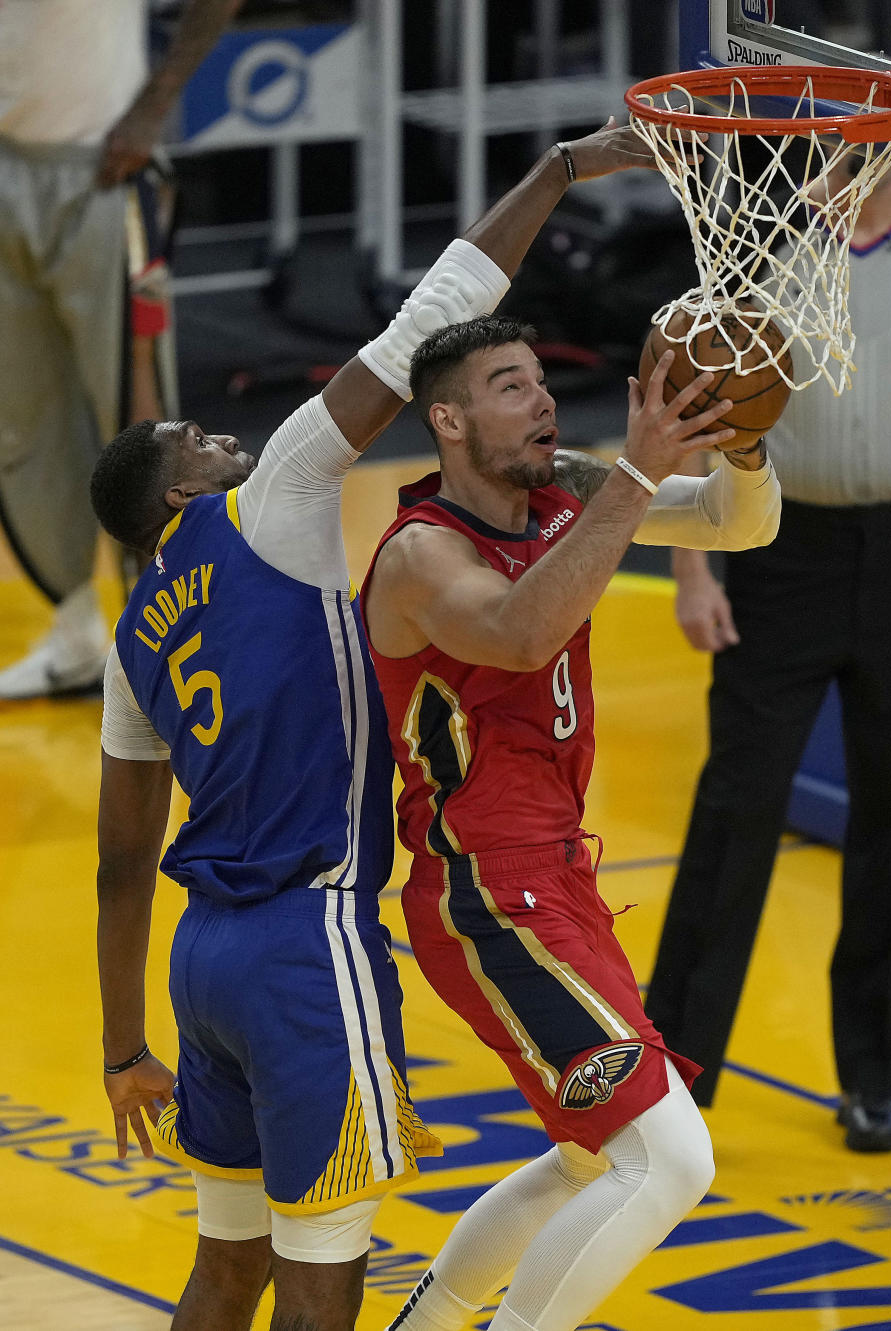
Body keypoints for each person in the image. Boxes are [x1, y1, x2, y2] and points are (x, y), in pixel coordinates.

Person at [91, 126, 669, 1331]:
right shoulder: (275, 500)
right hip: (309, 942)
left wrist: (120, 1047)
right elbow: (428, 324)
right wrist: (555, 173)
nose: (223, 433)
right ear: (183, 494)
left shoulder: (131, 639)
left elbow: (115, 866)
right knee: (320, 1282)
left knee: (227, 1267)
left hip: (202, 962)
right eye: (198, 438)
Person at [359, 315, 782, 1330]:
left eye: (545, 380)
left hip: (555, 875)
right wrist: (634, 479)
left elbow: (737, 524)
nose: (544, 400)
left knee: (591, 1157)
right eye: (512, 385)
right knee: (674, 1159)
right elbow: (518, 630)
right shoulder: (421, 551)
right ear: (448, 418)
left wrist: (747, 440)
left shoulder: (570, 492)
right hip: (484, 891)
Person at [644, 161, 891, 1151]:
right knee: (738, 800)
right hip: (783, 550)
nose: (823, 166)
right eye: (815, 146)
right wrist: (695, 575)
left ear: (889, 147)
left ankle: (872, 1075)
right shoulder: (762, 246)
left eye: (845, 144)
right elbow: (697, 404)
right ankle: (674, 1076)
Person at [0, 0, 244, 699]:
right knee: (22, 415)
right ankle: (74, 630)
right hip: (7, 163)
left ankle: (176, 641)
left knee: (145, 425)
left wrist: (154, 105)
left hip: (103, 164)